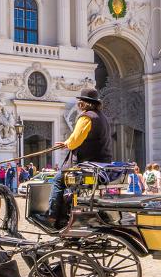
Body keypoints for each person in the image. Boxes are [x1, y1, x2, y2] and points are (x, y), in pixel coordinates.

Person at [46, 88, 112, 226]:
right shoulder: (103, 118)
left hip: (87, 164)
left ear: (84, 103)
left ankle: (53, 216)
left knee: (58, 180)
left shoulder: (86, 117)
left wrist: (67, 144)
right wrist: (68, 144)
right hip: (102, 163)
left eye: (80, 101)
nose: (78, 104)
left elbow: (75, 140)